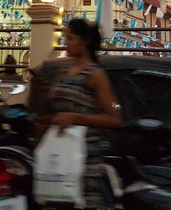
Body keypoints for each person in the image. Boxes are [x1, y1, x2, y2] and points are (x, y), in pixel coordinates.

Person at [47, 19, 122, 209]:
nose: (66, 43)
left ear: (85, 41)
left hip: (85, 158)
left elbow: (114, 119)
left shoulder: (95, 75)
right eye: (65, 38)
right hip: (60, 156)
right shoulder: (63, 71)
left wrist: (76, 118)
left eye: (71, 39)